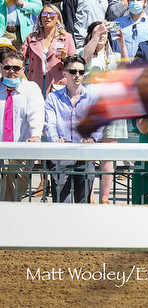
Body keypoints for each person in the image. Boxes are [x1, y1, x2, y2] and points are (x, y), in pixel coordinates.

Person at [78, 22, 128, 203]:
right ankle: (89, 197)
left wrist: (122, 45)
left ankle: (105, 198)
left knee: (108, 156)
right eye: (97, 32)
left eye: (104, 33)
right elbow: (82, 60)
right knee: (90, 154)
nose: (101, 35)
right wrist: (95, 36)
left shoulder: (114, 56)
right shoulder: (84, 51)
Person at [44, 55, 103, 203]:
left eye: (81, 72)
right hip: (60, 156)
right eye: (73, 71)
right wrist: (55, 139)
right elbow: (49, 124)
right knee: (61, 203)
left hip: (85, 155)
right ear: (64, 73)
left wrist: (92, 138)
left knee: (82, 203)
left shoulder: (94, 98)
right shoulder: (53, 98)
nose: (77, 75)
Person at [0, 50, 44, 201]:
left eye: (16, 68)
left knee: (14, 193)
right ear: (1, 68)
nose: (11, 71)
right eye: (7, 68)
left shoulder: (31, 89)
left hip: (21, 151)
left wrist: (36, 135)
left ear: (23, 70)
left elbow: (36, 115)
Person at [21, 4, 75, 96]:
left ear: (58, 18)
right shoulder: (31, 37)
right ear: (40, 18)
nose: (48, 17)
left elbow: (74, 64)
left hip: (57, 82)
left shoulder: (67, 37)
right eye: (44, 14)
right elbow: (20, 59)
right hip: (35, 81)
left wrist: (64, 58)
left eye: (52, 14)